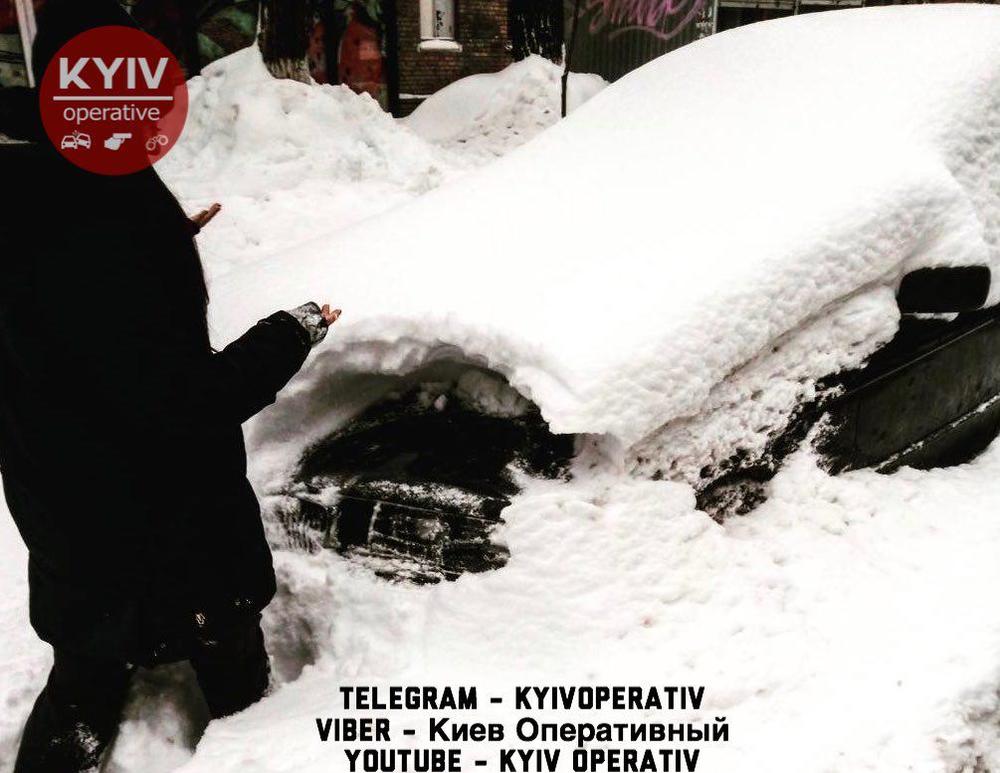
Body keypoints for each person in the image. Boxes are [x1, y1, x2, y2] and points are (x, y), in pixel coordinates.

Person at [0, 2, 340, 770]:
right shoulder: (103, 209)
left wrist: (160, 242)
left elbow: (71, 299)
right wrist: (289, 334)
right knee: (237, 684)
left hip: (64, 512)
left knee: (85, 672)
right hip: (170, 535)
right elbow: (184, 401)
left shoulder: (34, 180)